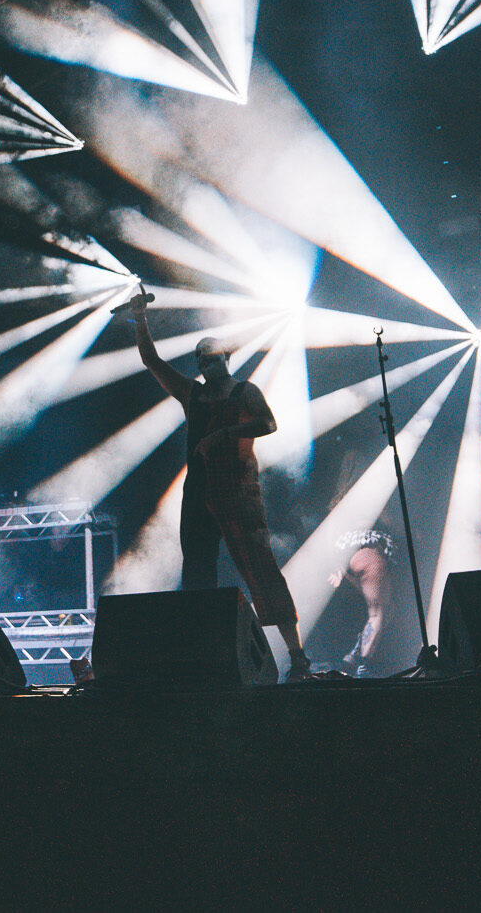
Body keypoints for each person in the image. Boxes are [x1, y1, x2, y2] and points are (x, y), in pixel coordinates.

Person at [120, 290, 312, 681]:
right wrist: (140, 320)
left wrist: (224, 434)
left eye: (214, 357)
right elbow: (151, 360)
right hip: (199, 494)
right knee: (198, 573)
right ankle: (203, 656)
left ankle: (297, 657)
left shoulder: (246, 391)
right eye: (202, 360)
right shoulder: (192, 393)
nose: (209, 364)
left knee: (259, 567)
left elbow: (268, 424)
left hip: (239, 490)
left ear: (227, 358)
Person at [328, 528, 394, 676]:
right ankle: (364, 667)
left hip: (350, 559)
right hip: (368, 554)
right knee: (377, 614)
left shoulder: (345, 528)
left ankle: (355, 654)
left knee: (386, 610)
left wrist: (338, 569)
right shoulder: (371, 525)